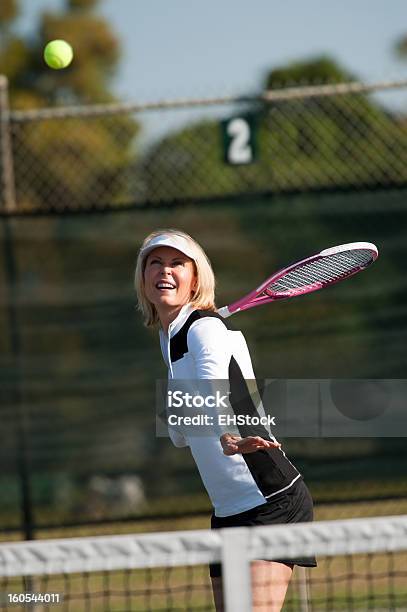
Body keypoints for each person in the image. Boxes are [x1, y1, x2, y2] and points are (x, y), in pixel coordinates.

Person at [135, 228, 316, 612]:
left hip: (271, 500)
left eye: (176, 263)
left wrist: (228, 435)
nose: (164, 271)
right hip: (228, 510)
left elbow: (214, 384)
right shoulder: (170, 339)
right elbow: (182, 437)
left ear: (195, 278)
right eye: (155, 262)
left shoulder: (204, 328)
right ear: (143, 277)